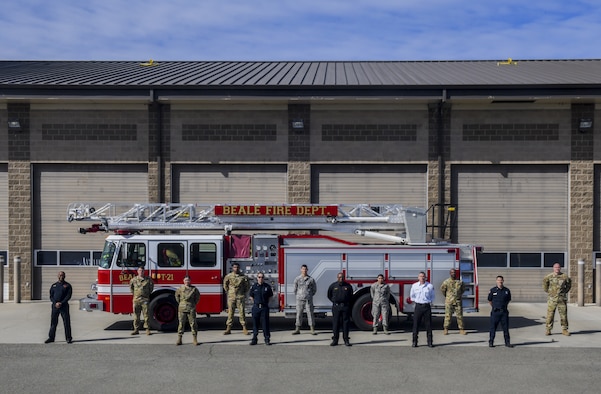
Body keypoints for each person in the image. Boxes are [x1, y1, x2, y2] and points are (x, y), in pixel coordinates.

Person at [542, 262, 572, 336]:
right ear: (553, 268)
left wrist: (564, 292)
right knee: (550, 315)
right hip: (552, 299)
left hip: (561, 299)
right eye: (555, 267)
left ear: (560, 268)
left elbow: (569, 285)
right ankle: (548, 330)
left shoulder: (565, 276)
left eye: (558, 267)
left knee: (563, 315)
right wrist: (550, 292)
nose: (557, 269)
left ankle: (564, 329)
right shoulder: (549, 277)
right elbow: (545, 286)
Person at [45, 271, 73, 344]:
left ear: (64, 276)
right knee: (53, 322)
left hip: (64, 306)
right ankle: (51, 338)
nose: (61, 276)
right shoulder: (54, 285)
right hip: (55, 307)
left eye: (62, 275)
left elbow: (68, 296)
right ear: (58, 276)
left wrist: (61, 303)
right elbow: (51, 296)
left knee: (66, 322)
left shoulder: (67, 286)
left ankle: (68, 338)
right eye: (60, 275)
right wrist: (55, 303)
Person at [223, 262, 250, 335]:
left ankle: (244, 328)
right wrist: (229, 292)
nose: (236, 268)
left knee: (242, 313)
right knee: (230, 313)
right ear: (232, 268)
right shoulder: (228, 276)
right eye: (234, 267)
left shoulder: (243, 277)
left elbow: (247, 286)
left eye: (237, 267)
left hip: (240, 297)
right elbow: (225, 285)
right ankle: (228, 328)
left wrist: (242, 293)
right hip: (231, 297)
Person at [327, 272, 353, 346]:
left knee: (346, 324)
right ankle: (335, 340)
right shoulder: (333, 286)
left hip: (345, 307)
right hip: (336, 307)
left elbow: (351, 296)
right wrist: (335, 301)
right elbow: (329, 295)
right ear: (337, 278)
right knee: (336, 324)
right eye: (339, 277)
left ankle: (346, 340)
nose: (341, 279)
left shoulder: (348, 286)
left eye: (342, 277)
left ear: (344, 278)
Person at [410, 271, 435, 347]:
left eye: (423, 276)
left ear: (425, 277)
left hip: (426, 307)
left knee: (428, 325)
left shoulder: (430, 286)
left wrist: (428, 301)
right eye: (420, 276)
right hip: (418, 307)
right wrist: (417, 301)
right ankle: (414, 342)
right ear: (418, 277)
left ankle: (430, 342)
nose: (422, 277)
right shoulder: (414, 286)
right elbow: (412, 296)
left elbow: (432, 296)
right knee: (416, 325)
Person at [488, 275, 513, 348]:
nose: (500, 282)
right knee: (493, 328)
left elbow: (508, 300)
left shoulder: (506, 291)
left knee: (505, 328)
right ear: (496, 281)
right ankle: (491, 342)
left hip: (504, 312)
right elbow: (490, 300)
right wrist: (494, 307)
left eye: (501, 280)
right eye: (498, 280)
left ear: (503, 281)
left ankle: (507, 343)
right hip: (495, 312)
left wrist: (503, 307)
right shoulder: (493, 290)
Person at [175, 276, 201, 346]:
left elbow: (197, 297)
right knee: (181, 324)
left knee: (193, 323)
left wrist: (193, 304)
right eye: (186, 280)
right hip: (182, 308)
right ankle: (179, 339)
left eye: (188, 280)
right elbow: (177, 297)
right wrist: (181, 303)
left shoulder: (194, 289)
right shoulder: (180, 289)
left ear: (190, 281)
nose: (187, 281)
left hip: (191, 308)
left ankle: (195, 339)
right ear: (183, 281)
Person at [249, 273, 274, 345]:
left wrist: (264, 303)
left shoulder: (267, 287)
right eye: (259, 277)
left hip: (264, 308)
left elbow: (270, 297)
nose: (261, 278)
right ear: (257, 278)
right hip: (256, 307)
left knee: (265, 324)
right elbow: (251, 296)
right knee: (255, 324)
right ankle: (254, 339)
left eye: (262, 277)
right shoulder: (254, 287)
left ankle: (267, 339)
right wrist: (256, 303)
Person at [292, 264, 317, 335]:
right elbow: (295, 289)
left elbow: (314, 289)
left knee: (310, 314)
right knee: (299, 314)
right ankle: (297, 329)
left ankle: (312, 329)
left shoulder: (311, 279)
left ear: (307, 270)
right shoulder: (297, 279)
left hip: (308, 300)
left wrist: (309, 295)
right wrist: (299, 295)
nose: (304, 270)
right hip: (299, 299)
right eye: (303, 269)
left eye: (305, 269)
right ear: (301, 270)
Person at [440, 268, 466, 335]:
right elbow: (443, 290)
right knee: (448, 316)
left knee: (459, 316)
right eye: (452, 272)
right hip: (449, 301)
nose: (453, 274)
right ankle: (446, 329)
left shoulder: (460, 282)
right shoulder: (446, 282)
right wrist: (448, 296)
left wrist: (458, 296)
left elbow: (463, 290)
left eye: (454, 272)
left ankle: (461, 329)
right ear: (450, 273)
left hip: (458, 301)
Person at [129, 266, 154, 335]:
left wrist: (146, 294)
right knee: (136, 315)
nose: (141, 272)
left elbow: (151, 288)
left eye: (142, 271)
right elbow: (131, 289)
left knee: (146, 315)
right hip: (136, 300)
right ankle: (136, 329)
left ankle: (147, 329)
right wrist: (136, 295)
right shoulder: (133, 280)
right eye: (139, 270)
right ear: (137, 271)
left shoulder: (148, 280)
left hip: (145, 299)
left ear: (144, 271)